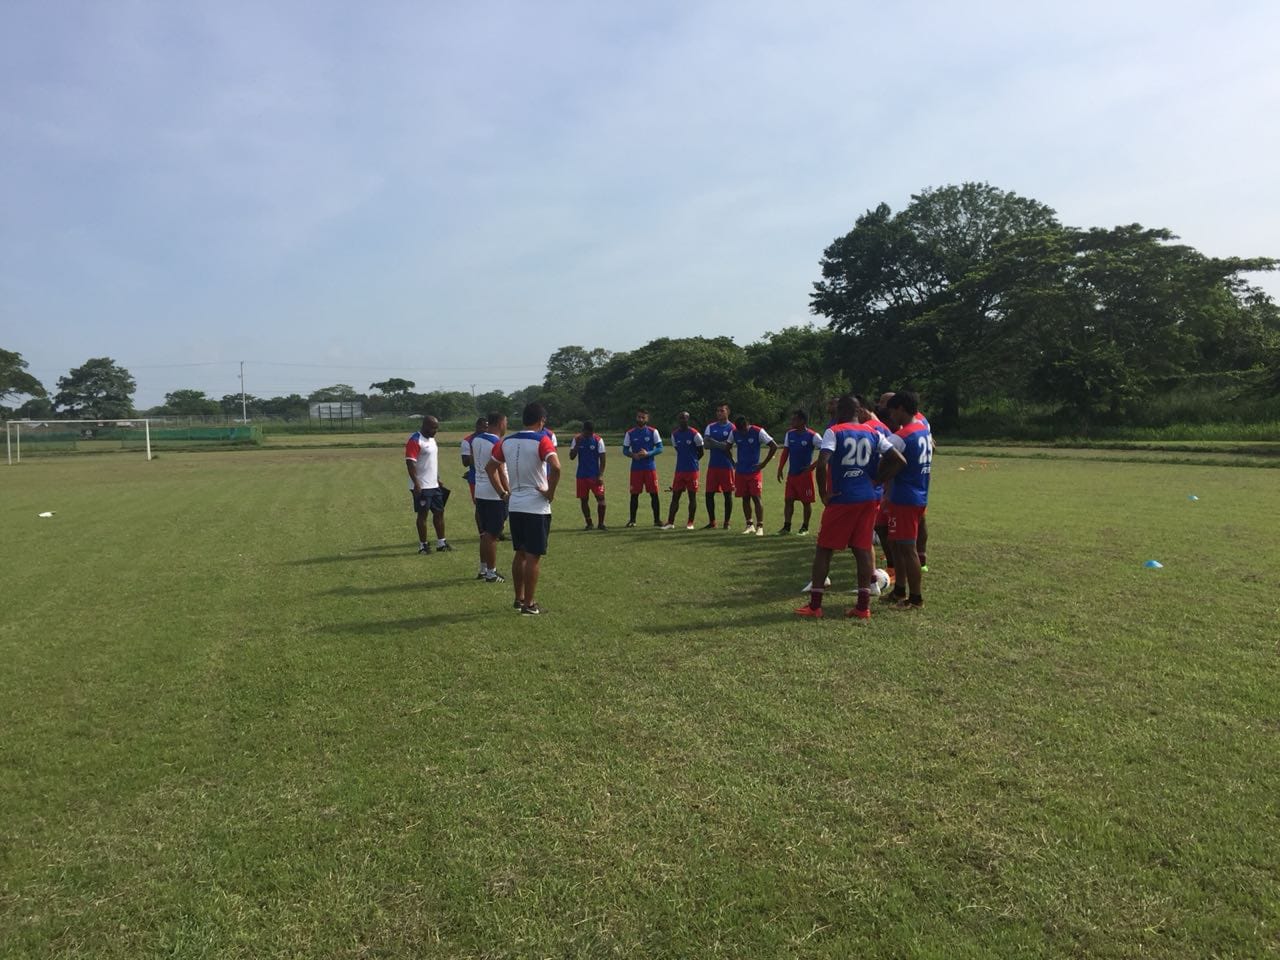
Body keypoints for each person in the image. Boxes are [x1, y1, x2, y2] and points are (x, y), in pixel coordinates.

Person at [795, 396, 905, 620]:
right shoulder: (873, 433)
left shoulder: (835, 431)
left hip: (843, 497)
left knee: (824, 549)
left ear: (840, 411)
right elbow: (899, 460)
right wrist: (877, 481)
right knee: (862, 549)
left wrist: (824, 494)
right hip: (867, 498)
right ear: (858, 411)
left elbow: (823, 462)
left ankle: (815, 605)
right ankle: (863, 607)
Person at [486, 402, 560, 615]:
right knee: (533, 557)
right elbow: (556, 467)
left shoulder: (507, 441)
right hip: (536, 506)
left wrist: (502, 493)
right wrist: (550, 493)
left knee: (519, 553)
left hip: (515, 504)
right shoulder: (542, 440)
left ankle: (518, 598)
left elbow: (491, 467)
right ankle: (529, 604)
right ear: (542, 420)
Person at [881, 391, 932, 608]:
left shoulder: (900, 437)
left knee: (906, 548)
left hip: (904, 498)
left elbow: (884, 463)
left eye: (893, 411)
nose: (891, 416)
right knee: (896, 543)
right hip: (918, 494)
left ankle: (916, 597)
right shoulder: (924, 430)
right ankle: (899, 590)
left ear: (901, 408)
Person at [405, 415, 451, 554]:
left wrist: (437, 478)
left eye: (436, 428)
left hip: (434, 485)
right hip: (422, 486)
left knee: (439, 512)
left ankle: (441, 543)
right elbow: (410, 463)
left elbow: (430, 462)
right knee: (423, 515)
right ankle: (423, 546)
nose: (435, 430)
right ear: (425, 425)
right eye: (433, 427)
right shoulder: (415, 440)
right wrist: (416, 484)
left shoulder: (432, 439)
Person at [470, 411, 507, 583]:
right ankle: (491, 572)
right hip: (494, 493)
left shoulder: (477, 439)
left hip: (480, 490)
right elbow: (499, 470)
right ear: (500, 423)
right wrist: (506, 492)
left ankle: (483, 568)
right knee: (493, 535)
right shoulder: (497, 442)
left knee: (485, 534)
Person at [729, 415, 777, 536]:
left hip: (754, 471)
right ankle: (749, 525)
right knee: (745, 497)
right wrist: (733, 461)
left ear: (747, 425)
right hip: (741, 471)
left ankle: (760, 526)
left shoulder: (758, 431)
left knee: (756, 497)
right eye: (740, 431)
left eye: (744, 430)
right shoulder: (734, 432)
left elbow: (774, 446)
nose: (742, 432)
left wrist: (764, 464)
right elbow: (727, 447)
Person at [776, 409, 819, 535]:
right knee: (788, 500)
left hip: (805, 476)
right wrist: (780, 468)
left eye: (794, 419)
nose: (792, 421)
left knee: (806, 502)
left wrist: (812, 466)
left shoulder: (813, 435)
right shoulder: (790, 434)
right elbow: (785, 452)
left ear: (802, 421)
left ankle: (805, 527)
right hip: (792, 475)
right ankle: (787, 526)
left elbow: (826, 450)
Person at [622, 409, 663, 527]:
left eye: (643, 417)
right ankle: (632, 520)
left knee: (654, 494)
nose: (640, 419)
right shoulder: (630, 433)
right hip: (636, 468)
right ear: (636, 418)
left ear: (647, 419)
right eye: (639, 417)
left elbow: (660, 448)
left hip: (650, 468)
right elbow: (625, 450)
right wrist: (633, 455)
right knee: (634, 494)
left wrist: (648, 453)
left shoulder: (653, 431)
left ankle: (657, 520)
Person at [663, 411, 704, 529]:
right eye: (680, 418)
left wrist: (693, 462)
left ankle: (690, 523)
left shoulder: (695, 434)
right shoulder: (674, 435)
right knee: (675, 496)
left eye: (684, 418)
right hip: (679, 470)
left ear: (688, 419)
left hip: (692, 471)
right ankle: (670, 522)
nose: (682, 420)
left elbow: (700, 452)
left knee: (692, 497)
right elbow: (678, 450)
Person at [569, 419, 607, 530]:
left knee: (601, 499)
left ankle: (601, 524)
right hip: (581, 475)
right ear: (583, 430)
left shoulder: (598, 440)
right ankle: (589, 523)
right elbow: (571, 457)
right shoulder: (576, 439)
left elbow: (603, 459)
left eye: (590, 433)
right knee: (584, 500)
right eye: (586, 432)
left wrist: (600, 475)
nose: (588, 435)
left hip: (594, 476)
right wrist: (577, 445)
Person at [702, 402, 735, 529]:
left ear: (728, 412)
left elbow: (728, 446)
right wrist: (722, 445)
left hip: (727, 465)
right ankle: (712, 522)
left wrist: (714, 442)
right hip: (713, 466)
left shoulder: (732, 428)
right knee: (709, 494)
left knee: (728, 494)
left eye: (722, 410)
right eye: (718, 411)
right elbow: (706, 445)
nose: (719, 413)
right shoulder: (710, 427)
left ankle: (727, 522)